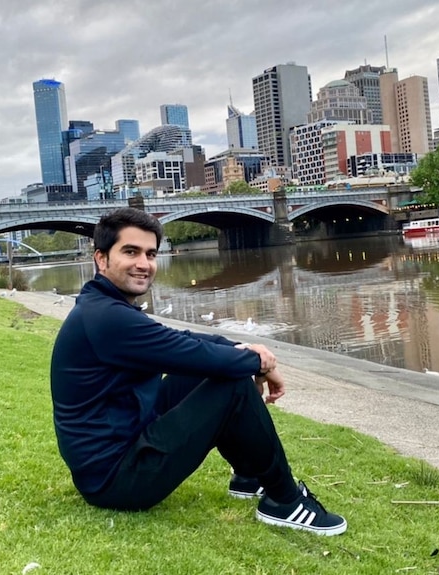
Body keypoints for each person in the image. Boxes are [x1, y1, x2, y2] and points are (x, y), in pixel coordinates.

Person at [50, 208, 346, 535]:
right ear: (101, 259)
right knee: (229, 384)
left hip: (120, 447)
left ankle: (249, 476)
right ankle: (285, 500)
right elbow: (191, 351)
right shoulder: (106, 318)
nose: (143, 264)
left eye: (150, 254)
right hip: (117, 480)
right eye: (130, 252)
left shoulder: (103, 307)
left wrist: (246, 350)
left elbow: (184, 341)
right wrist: (259, 362)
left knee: (210, 370)